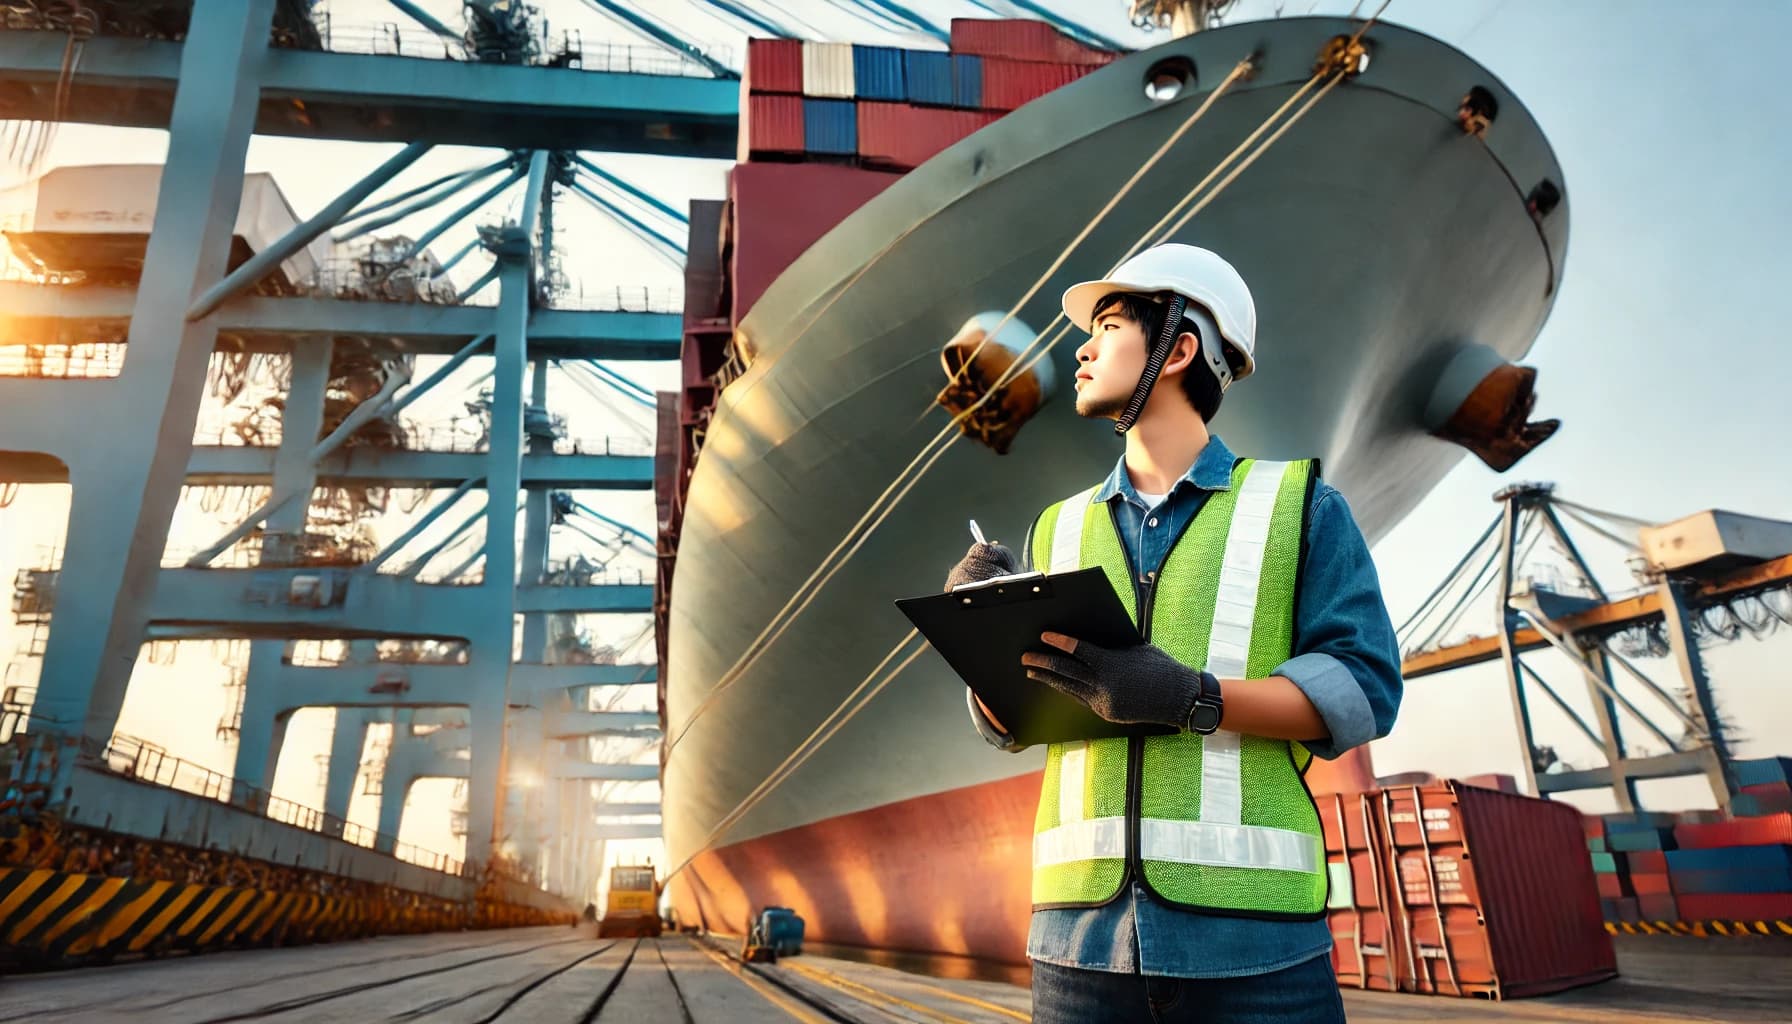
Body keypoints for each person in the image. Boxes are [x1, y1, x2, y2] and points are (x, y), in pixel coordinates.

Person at [944, 244, 1402, 1023]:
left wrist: (1195, 697)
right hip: (1074, 948)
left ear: (1179, 348)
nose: (1082, 346)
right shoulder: (1056, 527)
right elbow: (1016, 723)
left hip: (1255, 953)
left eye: (1110, 324)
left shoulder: (1299, 506)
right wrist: (979, 638)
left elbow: (1365, 690)